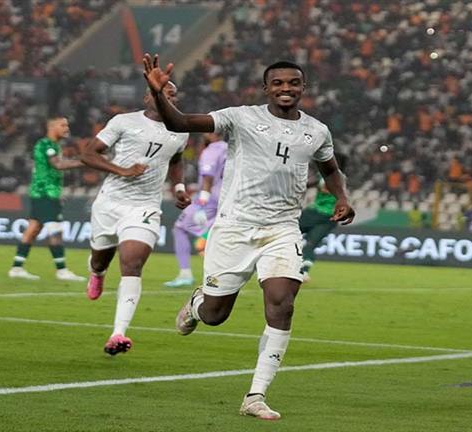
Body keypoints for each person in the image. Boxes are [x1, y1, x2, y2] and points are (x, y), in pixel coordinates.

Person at [142, 54, 355, 420]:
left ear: (303, 88)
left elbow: (330, 169)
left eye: (293, 83)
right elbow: (180, 122)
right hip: (235, 227)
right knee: (215, 315)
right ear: (265, 88)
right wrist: (160, 94)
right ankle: (197, 304)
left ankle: (256, 395)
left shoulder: (317, 131)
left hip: (282, 229)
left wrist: (342, 198)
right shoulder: (239, 118)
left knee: (282, 303)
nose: (286, 88)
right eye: (278, 83)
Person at [80, 82, 191, 356]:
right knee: (99, 259)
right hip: (110, 203)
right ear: (147, 97)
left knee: (132, 263)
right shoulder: (124, 121)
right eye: (163, 93)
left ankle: (118, 333)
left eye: (173, 95)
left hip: (145, 207)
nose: (169, 98)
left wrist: (178, 188)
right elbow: (88, 154)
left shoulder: (181, 130)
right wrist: (122, 170)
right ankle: (97, 273)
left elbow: (176, 160)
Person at [8, 117, 86, 281]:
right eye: (62, 125)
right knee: (55, 230)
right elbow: (58, 165)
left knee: (33, 228)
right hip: (46, 193)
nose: (66, 128)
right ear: (51, 127)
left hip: (41, 192)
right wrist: (85, 162)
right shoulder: (47, 144)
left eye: (67, 125)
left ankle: (16, 268)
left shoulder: (51, 145)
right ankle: (62, 270)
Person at [164, 132, 227, 287]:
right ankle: (219, 276)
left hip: (210, 199)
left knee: (180, 228)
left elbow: (207, 177)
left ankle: (185, 274)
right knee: (219, 236)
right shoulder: (230, 149)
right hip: (227, 198)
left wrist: (201, 204)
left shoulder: (211, 150)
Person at [298, 152, 348, 279]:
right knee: (311, 244)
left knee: (288, 231)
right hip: (331, 218)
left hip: (316, 213)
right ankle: (304, 272)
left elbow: (321, 186)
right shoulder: (342, 177)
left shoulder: (331, 175)